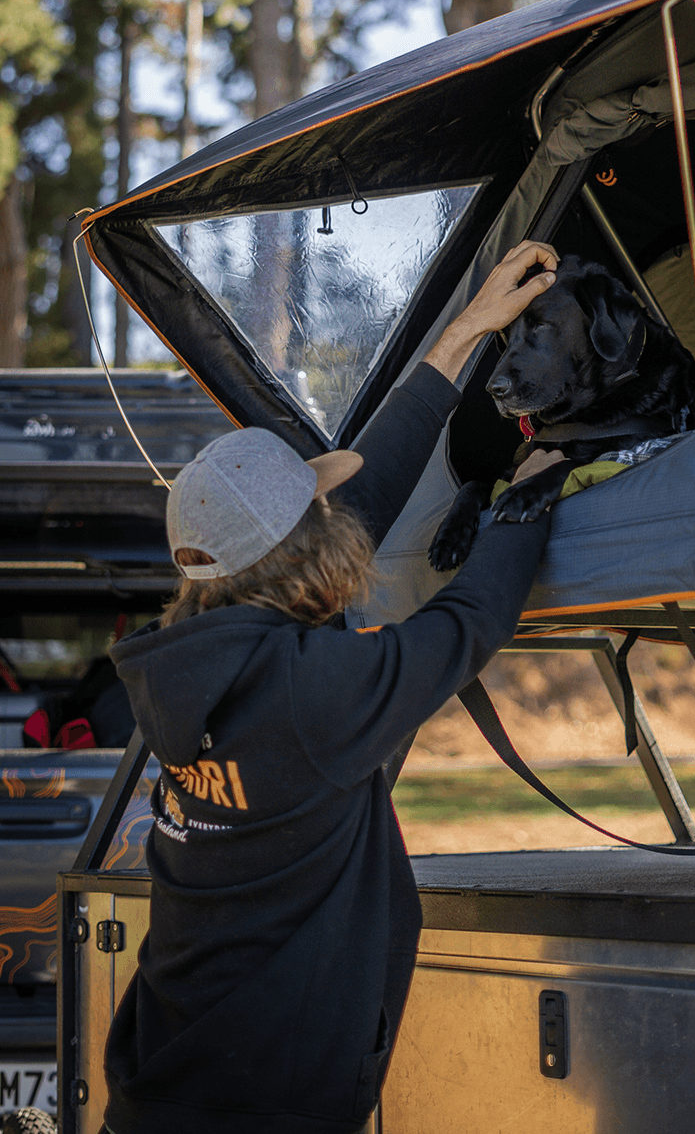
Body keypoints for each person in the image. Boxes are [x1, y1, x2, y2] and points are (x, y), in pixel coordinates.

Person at [101, 242, 566, 1134]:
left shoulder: (191, 666)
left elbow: (369, 490)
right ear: (301, 553)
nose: (335, 511)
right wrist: (530, 492)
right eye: (319, 509)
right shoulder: (312, 697)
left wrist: (467, 330)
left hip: (166, 1093)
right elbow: (467, 626)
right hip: (262, 1112)